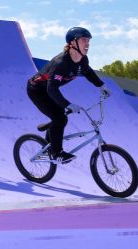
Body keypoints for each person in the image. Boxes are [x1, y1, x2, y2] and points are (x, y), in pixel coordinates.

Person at [26, 27, 109, 164]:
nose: (87, 43)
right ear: (73, 42)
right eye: (84, 40)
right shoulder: (61, 63)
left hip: (50, 90)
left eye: (88, 40)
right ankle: (56, 153)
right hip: (37, 91)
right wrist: (67, 104)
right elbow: (52, 89)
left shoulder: (82, 60)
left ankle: (49, 147)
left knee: (59, 117)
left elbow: (87, 72)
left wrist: (101, 85)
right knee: (60, 118)